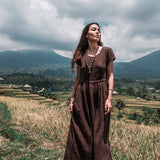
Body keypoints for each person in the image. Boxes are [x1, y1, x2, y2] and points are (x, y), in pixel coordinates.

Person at [64, 22, 115, 160]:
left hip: (100, 94)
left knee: (100, 134)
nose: (98, 32)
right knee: (81, 130)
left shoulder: (107, 51)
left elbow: (110, 75)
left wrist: (109, 98)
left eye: (99, 30)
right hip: (83, 94)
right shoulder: (81, 54)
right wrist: (72, 99)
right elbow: (78, 78)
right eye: (94, 29)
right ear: (86, 34)